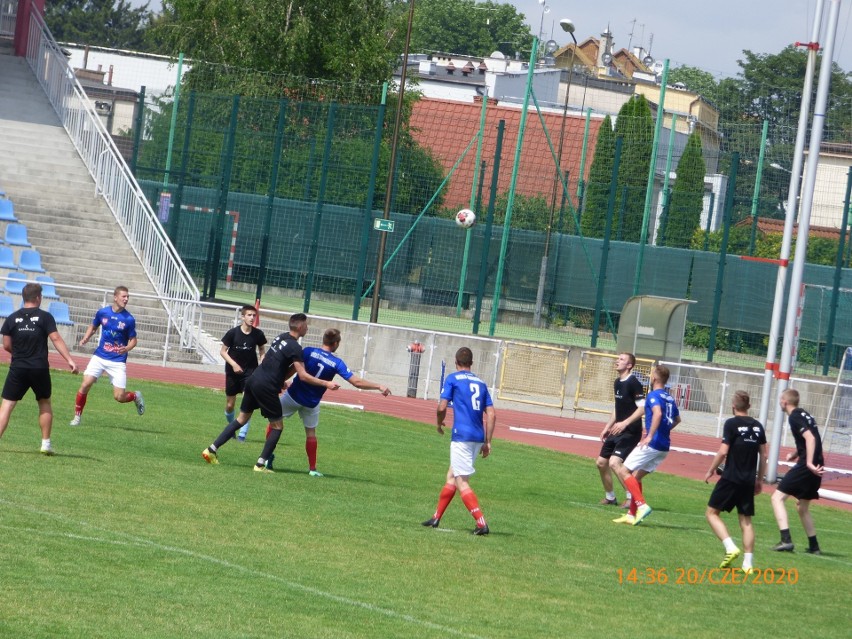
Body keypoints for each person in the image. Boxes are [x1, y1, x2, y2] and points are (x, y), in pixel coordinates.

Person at [201, 313, 339, 471]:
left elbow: (275, 362)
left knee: (241, 419)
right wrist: (326, 383)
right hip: (266, 386)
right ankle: (260, 464)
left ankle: (211, 450)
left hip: (254, 380)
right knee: (277, 426)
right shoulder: (296, 347)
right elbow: (302, 375)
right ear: (300, 327)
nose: (307, 328)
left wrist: (280, 381)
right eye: (306, 326)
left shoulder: (281, 337)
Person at [277, 327, 391, 476]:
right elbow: (356, 382)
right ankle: (312, 469)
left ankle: (265, 458)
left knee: (275, 423)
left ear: (324, 339)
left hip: (293, 396)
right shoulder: (337, 362)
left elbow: (293, 370)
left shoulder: (308, 351)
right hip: (312, 402)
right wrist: (379, 386)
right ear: (336, 343)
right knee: (311, 433)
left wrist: (280, 382)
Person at [422, 347, 496, 535]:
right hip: (478, 437)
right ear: (471, 363)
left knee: (461, 481)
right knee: (451, 476)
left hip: (461, 436)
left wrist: (439, 424)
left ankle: (481, 523)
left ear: (456, 362)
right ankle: (436, 517)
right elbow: (492, 414)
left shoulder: (453, 379)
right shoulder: (481, 383)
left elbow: (441, 407)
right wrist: (488, 442)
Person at [0, 283, 78, 454]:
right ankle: (45, 444)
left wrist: (20, 353)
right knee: (44, 403)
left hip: (18, 368)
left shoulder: (12, 318)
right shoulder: (45, 317)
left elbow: (6, 344)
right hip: (39, 368)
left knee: (6, 405)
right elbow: (56, 338)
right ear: (38, 298)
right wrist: (70, 360)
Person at [704, 391, 768, 572]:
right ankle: (748, 565)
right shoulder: (758, 426)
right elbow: (764, 455)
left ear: (733, 406)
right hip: (748, 481)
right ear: (749, 406)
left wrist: (710, 470)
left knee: (711, 513)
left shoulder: (731, 424)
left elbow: (724, 451)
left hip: (731, 478)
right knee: (746, 521)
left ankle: (730, 547)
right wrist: (759, 479)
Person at [612, 364, 680, 526]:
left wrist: (650, 435)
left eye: (650, 375)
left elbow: (657, 413)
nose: (649, 377)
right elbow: (677, 420)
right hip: (663, 446)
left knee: (623, 470)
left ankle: (642, 506)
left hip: (653, 443)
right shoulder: (669, 397)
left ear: (655, 378)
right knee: (636, 477)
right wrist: (663, 430)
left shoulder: (653, 396)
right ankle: (631, 514)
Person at [70, 286, 144, 426]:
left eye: (128, 297)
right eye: (124, 296)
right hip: (100, 356)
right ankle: (77, 418)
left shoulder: (129, 319)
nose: (126, 299)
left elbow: (133, 340)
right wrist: (86, 338)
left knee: (119, 397)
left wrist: (126, 348)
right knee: (85, 384)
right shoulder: (102, 312)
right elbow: (93, 326)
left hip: (117, 360)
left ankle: (135, 396)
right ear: (115, 297)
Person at [770, 388, 825, 555]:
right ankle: (814, 546)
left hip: (808, 466)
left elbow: (810, 438)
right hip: (818, 463)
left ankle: (786, 540)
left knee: (776, 498)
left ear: (785, 402)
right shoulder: (804, 414)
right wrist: (796, 453)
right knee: (802, 507)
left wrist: (807, 462)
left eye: (781, 399)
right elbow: (810, 437)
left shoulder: (794, 417)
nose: (780, 402)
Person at [596, 352, 645, 507]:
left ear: (629, 365)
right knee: (601, 463)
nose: (617, 361)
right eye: (618, 359)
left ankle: (633, 498)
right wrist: (607, 427)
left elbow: (642, 408)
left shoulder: (634, 383)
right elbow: (618, 408)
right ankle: (610, 497)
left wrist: (625, 423)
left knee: (615, 463)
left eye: (621, 359)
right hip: (617, 430)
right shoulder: (617, 382)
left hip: (631, 431)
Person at [220, 305, 267, 442]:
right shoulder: (233, 333)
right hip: (232, 372)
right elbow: (223, 351)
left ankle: (242, 435)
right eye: (249, 315)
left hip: (250, 373)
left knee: (248, 403)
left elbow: (262, 350)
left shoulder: (258, 334)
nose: (252, 318)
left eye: (254, 315)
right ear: (243, 316)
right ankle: (231, 428)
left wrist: (262, 363)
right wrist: (234, 364)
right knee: (230, 405)